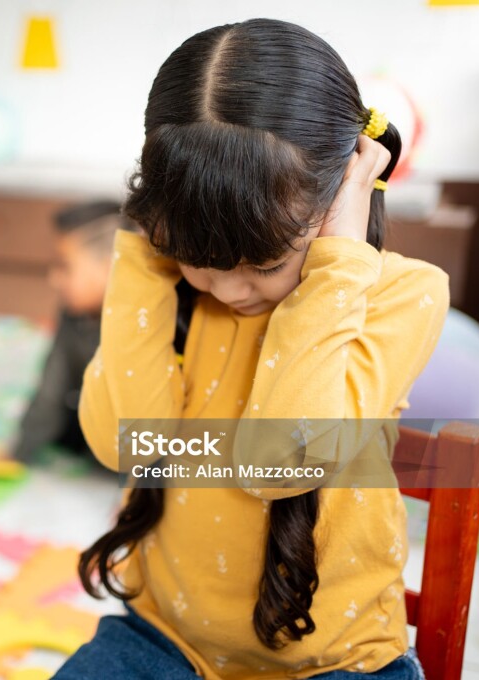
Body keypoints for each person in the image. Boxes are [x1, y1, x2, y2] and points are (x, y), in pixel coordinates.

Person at [60, 19, 448, 679]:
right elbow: (127, 445)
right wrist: (149, 253)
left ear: (337, 200)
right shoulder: (171, 278)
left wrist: (338, 263)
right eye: (201, 258)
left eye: (262, 262)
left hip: (337, 662)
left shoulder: (403, 294)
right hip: (164, 637)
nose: (227, 287)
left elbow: (281, 462)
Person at [11, 201, 123, 462]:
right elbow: (53, 384)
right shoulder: (73, 313)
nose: (54, 278)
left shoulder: (146, 323)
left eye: (65, 266)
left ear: (111, 268)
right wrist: (18, 452)